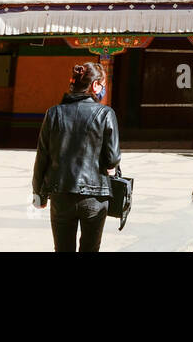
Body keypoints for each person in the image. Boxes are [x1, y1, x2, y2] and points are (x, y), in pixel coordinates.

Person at [31, 61, 120, 253]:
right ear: (95, 85)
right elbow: (112, 158)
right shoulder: (106, 114)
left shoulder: (53, 113)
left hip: (61, 193)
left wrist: (39, 194)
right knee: (90, 248)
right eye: (103, 85)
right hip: (95, 196)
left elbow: (42, 156)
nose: (103, 89)